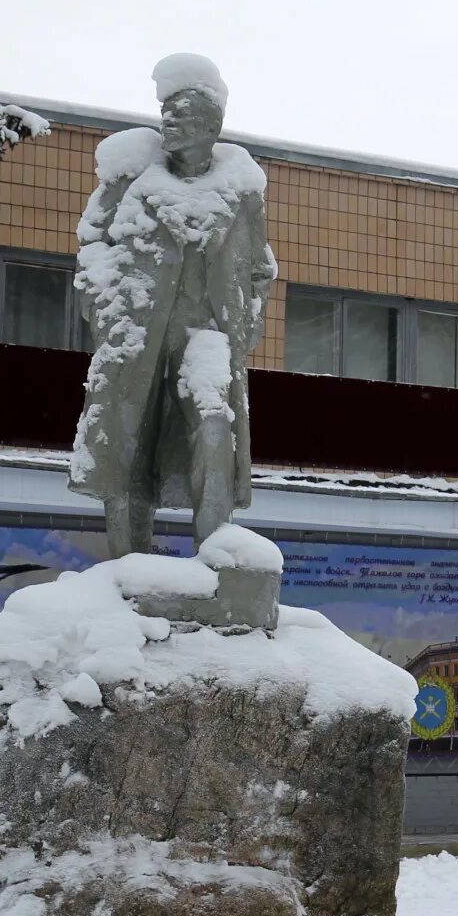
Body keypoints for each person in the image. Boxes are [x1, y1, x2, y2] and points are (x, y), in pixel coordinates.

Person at [69, 53, 278, 554]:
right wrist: (104, 304)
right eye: (165, 112)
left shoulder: (241, 189)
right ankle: (128, 558)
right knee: (129, 440)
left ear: (211, 125)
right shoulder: (129, 175)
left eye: (181, 113)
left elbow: (259, 266)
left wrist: (247, 320)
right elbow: (91, 242)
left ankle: (216, 556)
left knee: (212, 429)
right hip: (137, 328)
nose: (168, 121)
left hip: (206, 332)